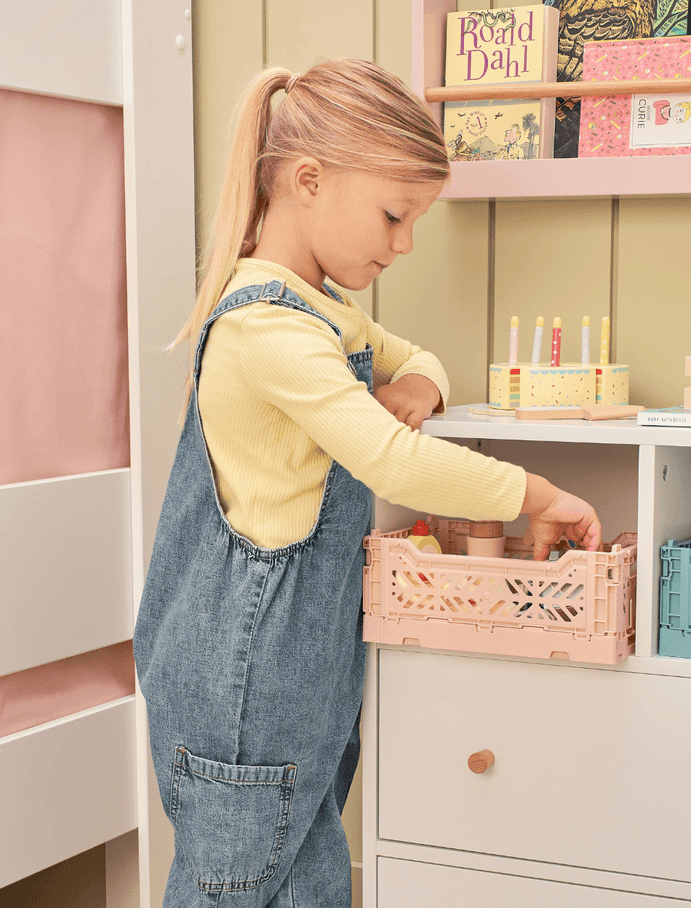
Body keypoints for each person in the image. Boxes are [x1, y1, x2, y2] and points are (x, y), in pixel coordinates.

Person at [132, 58, 603, 908]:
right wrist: (537, 494)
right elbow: (392, 460)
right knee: (234, 888)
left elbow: (414, 358)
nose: (404, 244)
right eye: (394, 215)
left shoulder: (324, 311)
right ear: (308, 181)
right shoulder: (267, 328)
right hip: (245, 693)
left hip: (296, 689)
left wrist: (415, 387)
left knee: (306, 882)